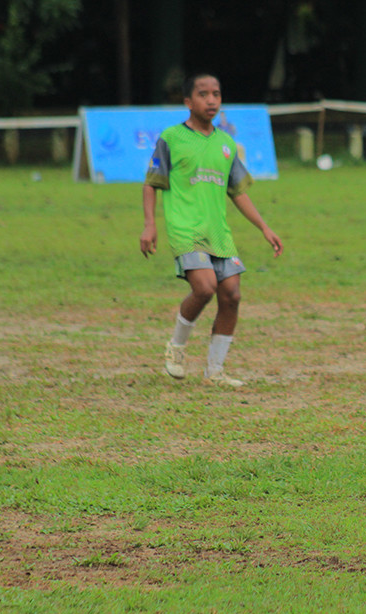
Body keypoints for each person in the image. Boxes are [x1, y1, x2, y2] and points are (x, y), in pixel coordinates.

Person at [140, 73, 283, 387]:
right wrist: (150, 226)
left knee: (231, 295)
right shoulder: (171, 138)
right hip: (185, 229)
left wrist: (264, 227)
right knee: (204, 288)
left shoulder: (226, 144)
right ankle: (176, 348)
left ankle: (214, 372)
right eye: (203, 94)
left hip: (218, 232)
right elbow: (151, 184)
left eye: (216, 94)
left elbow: (238, 192)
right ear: (188, 102)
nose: (211, 100)